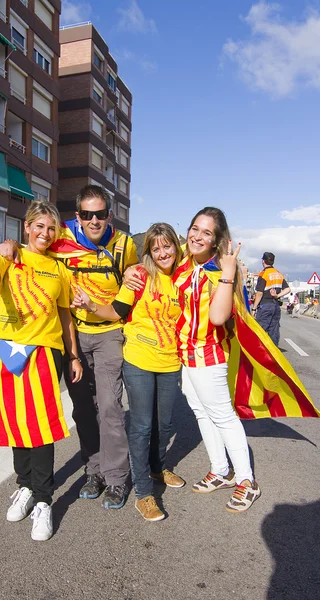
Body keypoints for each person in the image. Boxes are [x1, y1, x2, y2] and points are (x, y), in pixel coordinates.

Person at [0, 185, 138, 510]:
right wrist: (8, 245)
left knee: (110, 408)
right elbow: (34, 240)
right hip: (73, 337)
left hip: (109, 334)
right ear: (77, 217)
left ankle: (116, 478)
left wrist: (135, 272)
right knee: (83, 411)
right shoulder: (62, 240)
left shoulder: (124, 245)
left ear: (109, 216)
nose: (94, 220)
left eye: (100, 214)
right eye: (87, 215)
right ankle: (94, 471)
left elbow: (138, 272)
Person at [0, 201, 82, 542]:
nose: (45, 233)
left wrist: (73, 356)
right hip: (4, 350)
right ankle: (24, 485)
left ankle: (43, 499)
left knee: (38, 425)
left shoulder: (60, 269)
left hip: (43, 351)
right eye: (39, 226)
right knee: (13, 422)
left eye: (51, 227)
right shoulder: (9, 256)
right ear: (26, 227)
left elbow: (65, 316)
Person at [72, 223, 185, 521]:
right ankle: (143, 493)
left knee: (165, 423)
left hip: (171, 361)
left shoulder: (185, 278)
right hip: (138, 357)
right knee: (142, 425)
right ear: (147, 251)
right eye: (155, 247)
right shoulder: (138, 275)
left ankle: (157, 467)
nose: (163, 253)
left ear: (176, 246)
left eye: (167, 246)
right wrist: (91, 304)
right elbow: (116, 311)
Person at [173, 207, 261, 513]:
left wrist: (227, 270)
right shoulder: (184, 265)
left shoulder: (219, 272)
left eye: (206, 232)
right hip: (186, 356)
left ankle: (247, 481)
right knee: (201, 412)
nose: (197, 236)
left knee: (222, 415)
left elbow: (219, 316)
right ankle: (221, 469)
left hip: (210, 356)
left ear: (216, 240)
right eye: (194, 228)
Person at [251, 252, 290, 346]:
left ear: (263, 261)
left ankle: (259, 353)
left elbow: (259, 293)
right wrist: (277, 296)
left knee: (260, 330)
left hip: (265, 305)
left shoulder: (263, 274)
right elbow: (288, 289)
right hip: (275, 305)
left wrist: (254, 308)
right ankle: (273, 353)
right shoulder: (278, 274)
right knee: (274, 330)